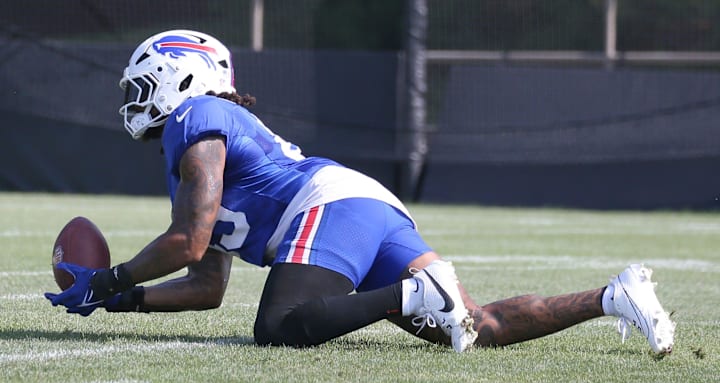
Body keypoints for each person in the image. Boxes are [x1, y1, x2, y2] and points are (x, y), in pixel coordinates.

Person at [45, 30, 675, 354]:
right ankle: (614, 297)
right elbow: (208, 285)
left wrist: (113, 278)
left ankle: (415, 291)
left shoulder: (194, 118)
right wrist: (125, 303)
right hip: (357, 204)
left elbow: (188, 240)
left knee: (281, 327)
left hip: (329, 206)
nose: (132, 100)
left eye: (140, 84)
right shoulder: (199, 145)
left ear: (177, 76)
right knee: (475, 326)